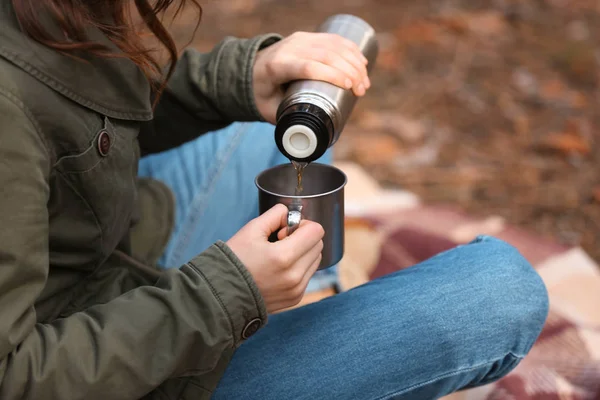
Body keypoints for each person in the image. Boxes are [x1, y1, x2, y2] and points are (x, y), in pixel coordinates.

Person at [0, 0, 549, 399]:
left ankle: (303, 309)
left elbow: (78, 110)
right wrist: (221, 295)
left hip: (102, 263)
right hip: (104, 367)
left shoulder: (43, 15)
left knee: (278, 115)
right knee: (501, 292)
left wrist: (238, 78)